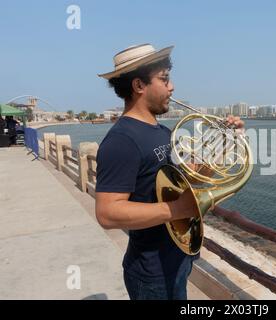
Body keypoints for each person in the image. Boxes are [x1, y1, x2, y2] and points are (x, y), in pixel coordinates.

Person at [95, 43, 244, 300]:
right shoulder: (122, 140)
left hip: (176, 259)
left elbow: (193, 179)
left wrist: (227, 140)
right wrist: (177, 210)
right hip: (151, 272)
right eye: (164, 79)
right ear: (139, 86)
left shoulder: (163, 133)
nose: (172, 87)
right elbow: (107, 213)